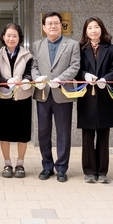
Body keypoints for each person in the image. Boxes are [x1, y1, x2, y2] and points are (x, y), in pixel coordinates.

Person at [31, 12, 81, 182]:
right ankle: (47, 166)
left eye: (56, 23)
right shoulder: (37, 45)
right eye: (49, 23)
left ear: (61, 25)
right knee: (43, 132)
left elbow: (75, 66)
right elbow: (34, 66)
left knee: (63, 132)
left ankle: (61, 168)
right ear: (44, 27)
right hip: (43, 93)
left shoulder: (72, 44)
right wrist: (37, 78)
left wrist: (60, 79)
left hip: (62, 93)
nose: (53, 26)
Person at [76, 17, 113, 184]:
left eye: (96, 27)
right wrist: (84, 75)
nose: (93, 30)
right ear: (85, 31)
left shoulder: (111, 48)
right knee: (87, 135)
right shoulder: (80, 49)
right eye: (90, 28)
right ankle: (89, 171)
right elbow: (76, 69)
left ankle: (102, 172)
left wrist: (106, 79)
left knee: (103, 135)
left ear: (102, 29)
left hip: (104, 95)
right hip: (87, 96)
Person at [0, 23, 34, 178]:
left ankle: (20, 164)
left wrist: (26, 80)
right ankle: (7, 164)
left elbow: (29, 72)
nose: (11, 38)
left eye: (14, 36)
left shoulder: (27, 55)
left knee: (22, 132)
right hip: (3, 97)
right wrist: (5, 82)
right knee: (4, 132)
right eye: (8, 35)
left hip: (22, 97)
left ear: (20, 38)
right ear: (3, 37)